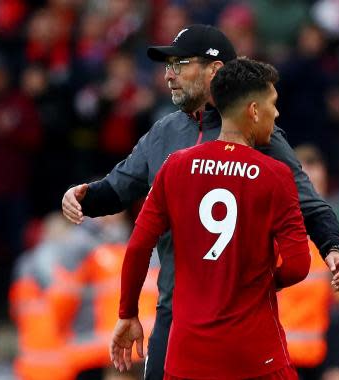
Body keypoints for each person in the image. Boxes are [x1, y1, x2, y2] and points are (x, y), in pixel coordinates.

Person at [62, 24, 339, 380]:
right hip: (177, 316)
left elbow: (310, 203)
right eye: (168, 66)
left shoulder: (259, 135)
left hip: (237, 319)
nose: (169, 75)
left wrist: (332, 244)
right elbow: (116, 189)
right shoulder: (165, 132)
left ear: (215, 70)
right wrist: (83, 196)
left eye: (180, 64)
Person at [111, 58, 310, 379]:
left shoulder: (174, 167)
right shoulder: (275, 175)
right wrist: (258, 287)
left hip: (187, 355)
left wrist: (128, 313)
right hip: (255, 355)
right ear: (254, 111)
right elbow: (299, 265)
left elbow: (137, 247)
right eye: (273, 104)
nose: (277, 113)